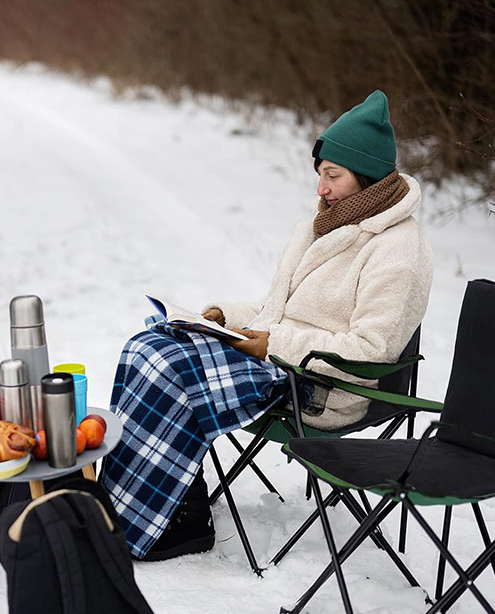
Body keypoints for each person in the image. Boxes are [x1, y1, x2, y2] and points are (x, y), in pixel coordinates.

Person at [100, 90, 433, 562]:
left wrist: (275, 342)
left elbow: (373, 348)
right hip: (278, 360)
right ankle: (131, 500)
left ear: (369, 175)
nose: (321, 188)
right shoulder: (323, 225)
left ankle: (158, 523)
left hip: (323, 386)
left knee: (169, 369)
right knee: (150, 345)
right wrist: (223, 318)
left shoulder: (398, 250)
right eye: (320, 175)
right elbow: (276, 307)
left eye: (333, 175)